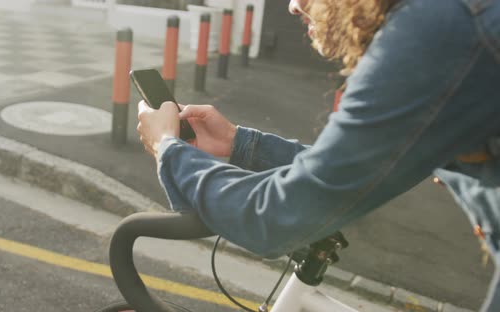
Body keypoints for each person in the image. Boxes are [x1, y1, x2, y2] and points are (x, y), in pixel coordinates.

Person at [136, 0, 500, 310]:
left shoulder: (434, 38)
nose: (293, 6)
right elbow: (359, 164)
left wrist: (168, 148)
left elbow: (274, 218)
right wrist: (238, 143)